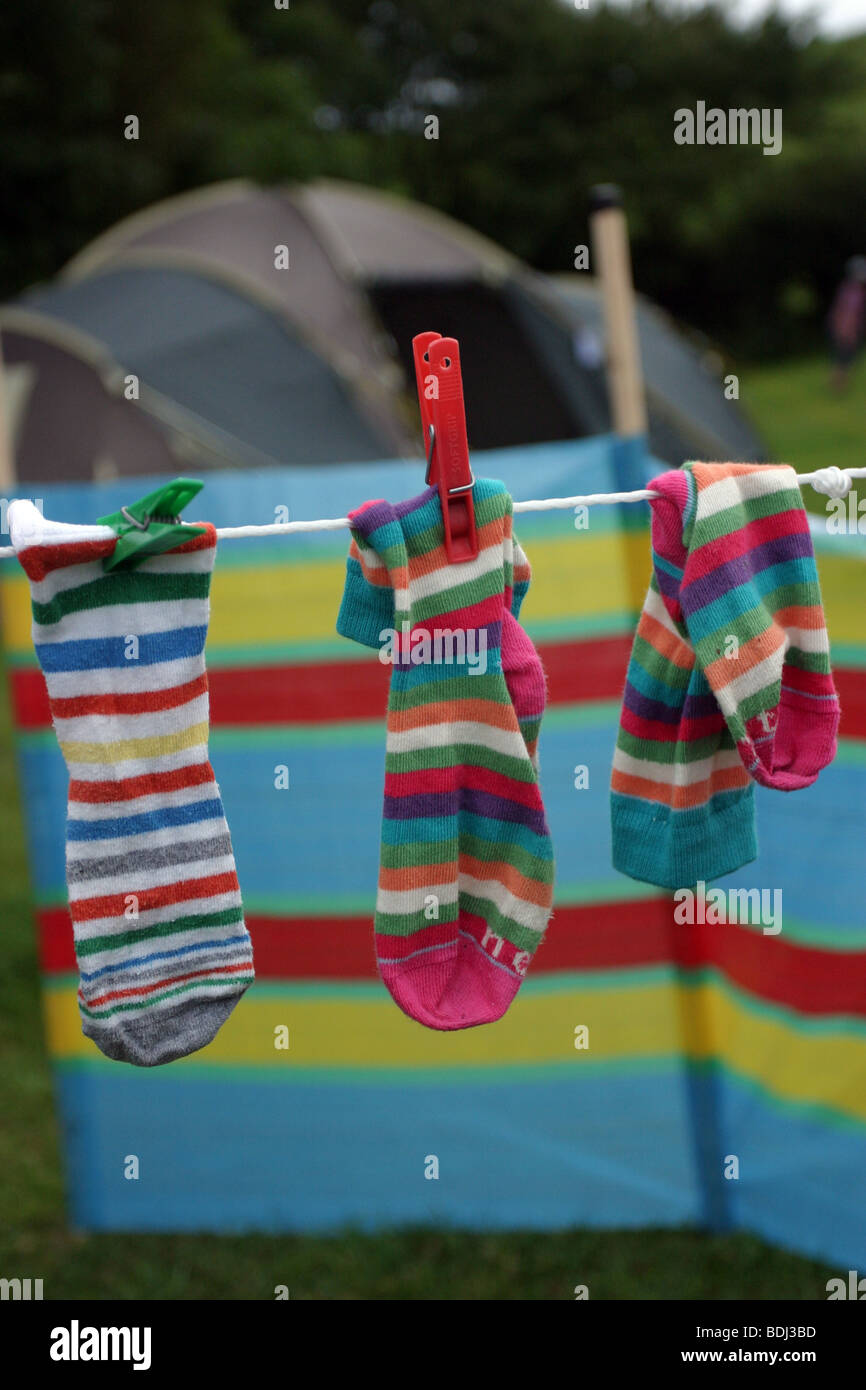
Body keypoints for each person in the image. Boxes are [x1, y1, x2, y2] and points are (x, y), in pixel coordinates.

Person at [828, 256, 866, 392]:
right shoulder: (853, 291)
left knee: (843, 359)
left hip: (841, 329)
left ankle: (839, 386)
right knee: (843, 360)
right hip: (845, 330)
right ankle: (838, 387)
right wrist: (847, 331)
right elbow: (848, 314)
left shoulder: (848, 288)